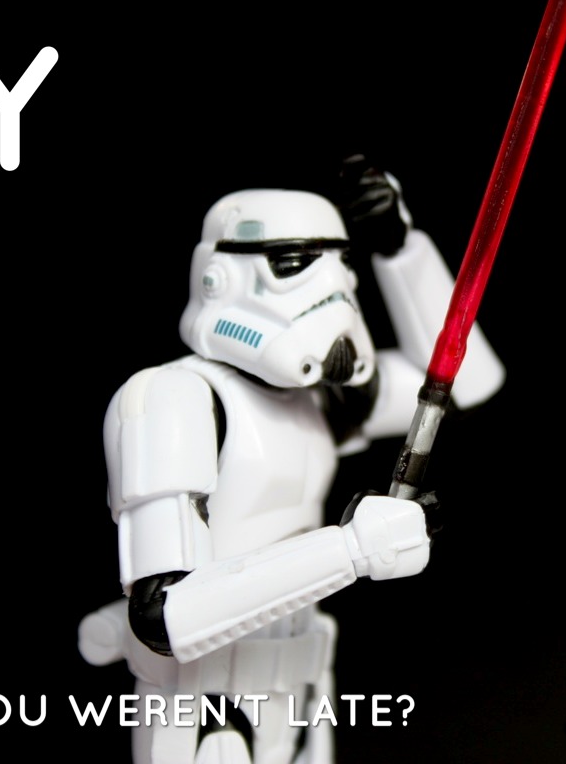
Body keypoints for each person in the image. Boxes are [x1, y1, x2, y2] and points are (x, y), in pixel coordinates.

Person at [79, 157, 504, 764]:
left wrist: (402, 251)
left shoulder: (317, 402)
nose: (332, 289)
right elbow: (164, 616)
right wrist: (352, 550)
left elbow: (465, 383)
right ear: (220, 276)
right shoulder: (175, 398)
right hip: (205, 707)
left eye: (342, 265)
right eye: (295, 263)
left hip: (301, 693)